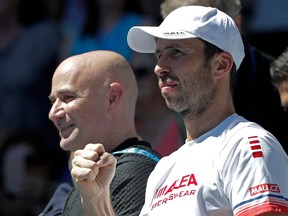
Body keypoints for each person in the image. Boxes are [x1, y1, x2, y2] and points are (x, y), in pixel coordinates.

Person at [71, 6, 288, 215]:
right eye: (159, 54)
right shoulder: (165, 168)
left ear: (221, 65)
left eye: (176, 52)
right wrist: (96, 199)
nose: (159, 67)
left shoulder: (248, 145)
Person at [40, 50, 161, 216]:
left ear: (112, 98)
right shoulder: (79, 182)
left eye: (68, 97)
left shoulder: (138, 173)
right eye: (53, 101)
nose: (53, 114)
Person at [160, 0, 288, 154]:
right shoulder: (177, 83)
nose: (161, 68)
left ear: (236, 24)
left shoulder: (281, 82)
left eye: (178, 51)